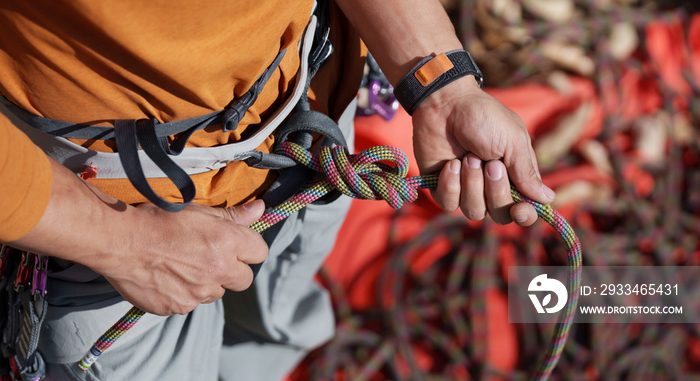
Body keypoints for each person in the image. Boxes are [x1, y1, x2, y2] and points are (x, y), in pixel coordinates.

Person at [0, 0, 555, 379]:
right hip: (107, 220)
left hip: (310, 133)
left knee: (276, 325)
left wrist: (440, 84)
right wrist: (120, 242)